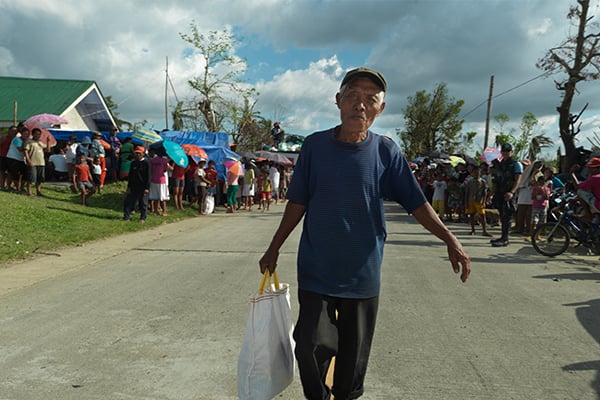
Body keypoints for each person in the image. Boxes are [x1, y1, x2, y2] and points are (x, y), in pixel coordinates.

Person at [258, 67, 470, 400]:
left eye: (370, 99)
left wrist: (450, 238)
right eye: (353, 96)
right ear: (338, 101)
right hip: (317, 268)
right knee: (309, 345)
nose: (360, 105)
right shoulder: (314, 146)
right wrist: (273, 248)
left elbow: (416, 202)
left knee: (353, 361)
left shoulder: (386, 151)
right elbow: (297, 202)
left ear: (380, 109)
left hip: (362, 273)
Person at [490, 143, 523, 247]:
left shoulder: (516, 164)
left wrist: (512, 192)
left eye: (507, 151)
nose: (505, 153)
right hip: (500, 192)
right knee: (502, 215)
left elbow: (518, 180)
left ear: (511, 152)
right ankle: (503, 236)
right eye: (503, 151)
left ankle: (505, 239)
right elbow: (496, 178)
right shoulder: (500, 164)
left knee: (507, 215)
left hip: (509, 193)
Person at [123, 146, 151, 223]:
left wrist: (147, 188)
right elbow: (130, 176)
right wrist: (128, 186)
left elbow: (148, 177)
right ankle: (126, 216)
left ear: (143, 154)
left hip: (143, 187)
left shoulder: (146, 163)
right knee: (128, 202)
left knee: (143, 203)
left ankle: (143, 218)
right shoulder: (133, 163)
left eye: (139, 153)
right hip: (133, 186)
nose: (138, 155)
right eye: (136, 153)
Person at [465, 166, 492, 237]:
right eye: (474, 173)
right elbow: (467, 192)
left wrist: (484, 201)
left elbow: (485, 192)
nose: (476, 174)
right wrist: (466, 202)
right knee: (471, 215)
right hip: (471, 200)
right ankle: (472, 230)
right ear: (472, 174)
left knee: (482, 216)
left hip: (479, 201)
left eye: (478, 172)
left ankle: (484, 231)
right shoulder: (470, 182)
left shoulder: (483, 182)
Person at [23, 127, 50, 196]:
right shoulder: (29, 141)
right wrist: (28, 160)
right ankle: (29, 192)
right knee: (31, 178)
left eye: (39, 134)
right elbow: (25, 151)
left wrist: (48, 141)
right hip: (33, 162)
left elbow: (47, 150)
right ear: (33, 134)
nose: (38, 135)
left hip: (41, 162)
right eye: (36, 134)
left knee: (39, 178)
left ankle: (38, 191)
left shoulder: (40, 142)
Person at [6, 125, 29, 192]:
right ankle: (18, 188)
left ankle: (21, 187)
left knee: (25, 173)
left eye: (27, 134)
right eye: (25, 134)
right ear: (21, 134)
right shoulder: (17, 139)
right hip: (12, 158)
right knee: (15, 174)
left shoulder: (26, 140)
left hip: (20, 159)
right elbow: (20, 149)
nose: (26, 135)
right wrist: (25, 142)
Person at [527, 175, 551, 241]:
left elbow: (547, 197)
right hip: (536, 206)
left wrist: (544, 191)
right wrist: (537, 192)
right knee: (534, 221)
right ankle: (531, 235)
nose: (541, 183)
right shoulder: (535, 188)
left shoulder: (547, 189)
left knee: (541, 221)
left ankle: (538, 235)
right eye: (540, 182)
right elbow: (532, 197)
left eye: (543, 182)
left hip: (543, 206)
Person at [0, 125, 18, 190]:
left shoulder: (16, 139)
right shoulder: (4, 137)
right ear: (9, 131)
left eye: (16, 131)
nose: (14, 132)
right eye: (13, 131)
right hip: (3, 156)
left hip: (11, 157)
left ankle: (8, 185)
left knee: (10, 172)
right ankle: (2, 185)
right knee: (2, 171)